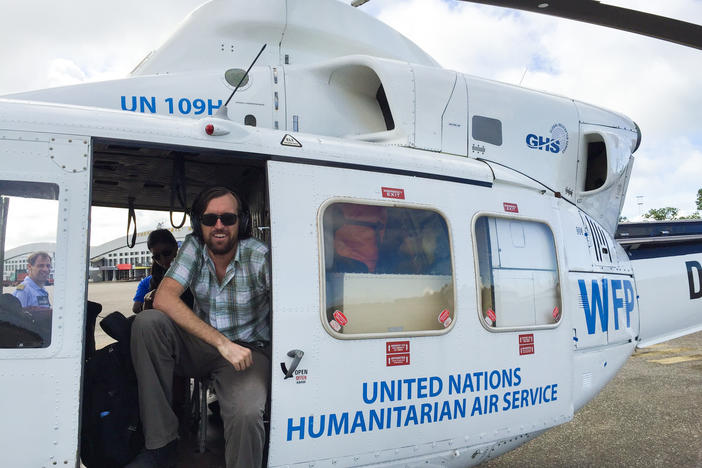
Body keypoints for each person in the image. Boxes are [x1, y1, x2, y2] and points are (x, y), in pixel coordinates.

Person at [129, 187, 270, 468]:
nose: (219, 225)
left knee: (246, 412)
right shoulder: (194, 248)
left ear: (240, 223)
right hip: (203, 344)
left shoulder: (259, 256)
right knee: (146, 323)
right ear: (199, 224)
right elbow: (163, 298)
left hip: (247, 352)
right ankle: (162, 443)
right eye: (210, 219)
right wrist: (221, 343)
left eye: (228, 218)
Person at [132, 229, 180, 314]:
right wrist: (147, 305)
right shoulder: (153, 280)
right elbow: (136, 309)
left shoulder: (194, 273)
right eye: (157, 257)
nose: (163, 260)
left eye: (166, 253)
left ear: (176, 247)